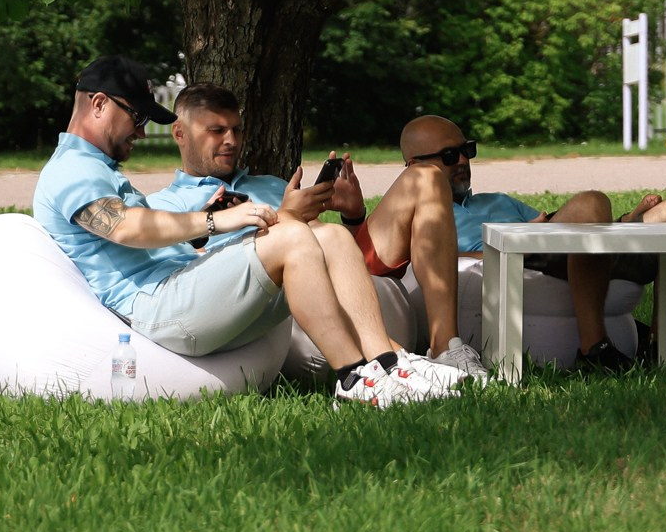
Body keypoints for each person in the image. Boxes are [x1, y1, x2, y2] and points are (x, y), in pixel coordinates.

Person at [32, 56, 457, 408]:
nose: (142, 132)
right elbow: (125, 227)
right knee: (292, 236)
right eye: (138, 117)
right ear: (99, 104)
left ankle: (385, 363)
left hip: (181, 289)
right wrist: (218, 220)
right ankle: (351, 380)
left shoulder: (97, 169)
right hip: (155, 306)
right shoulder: (72, 170)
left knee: (328, 236)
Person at [142, 84, 476, 381]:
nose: (231, 141)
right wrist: (287, 219)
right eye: (217, 131)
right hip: (294, 307)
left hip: (355, 280)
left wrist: (353, 215)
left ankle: (447, 348)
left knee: (427, 176)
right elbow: (196, 286)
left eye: (236, 130)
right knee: (301, 239)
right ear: (180, 133)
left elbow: (334, 244)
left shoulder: (272, 185)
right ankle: (396, 364)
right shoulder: (166, 206)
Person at [366, 115, 666, 375]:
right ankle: (593, 346)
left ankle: (660, 342)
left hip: (564, 244)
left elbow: (547, 225)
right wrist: (517, 242)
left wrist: (632, 217)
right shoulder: (422, 213)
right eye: (449, 155)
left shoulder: (496, 200)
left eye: (466, 151)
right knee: (592, 202)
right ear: (414, 166)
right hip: (527, 258)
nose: (461, 161)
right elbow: (427, 258)